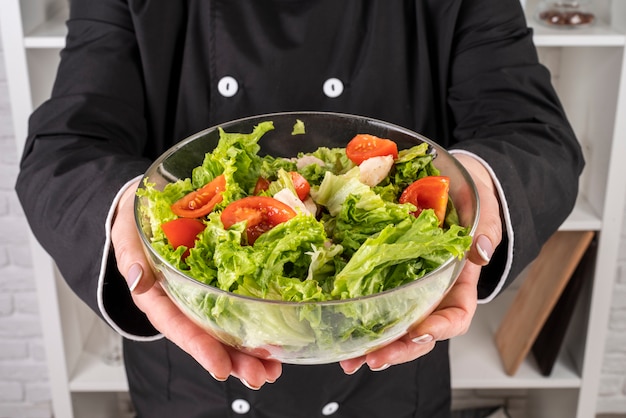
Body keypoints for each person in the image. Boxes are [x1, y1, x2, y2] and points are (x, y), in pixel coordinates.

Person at [15, 0, 584, 417]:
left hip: (386, 360)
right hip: (194, 377)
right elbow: (65, 148)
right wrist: (128, 213)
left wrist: (476, 185)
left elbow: (535, 133)